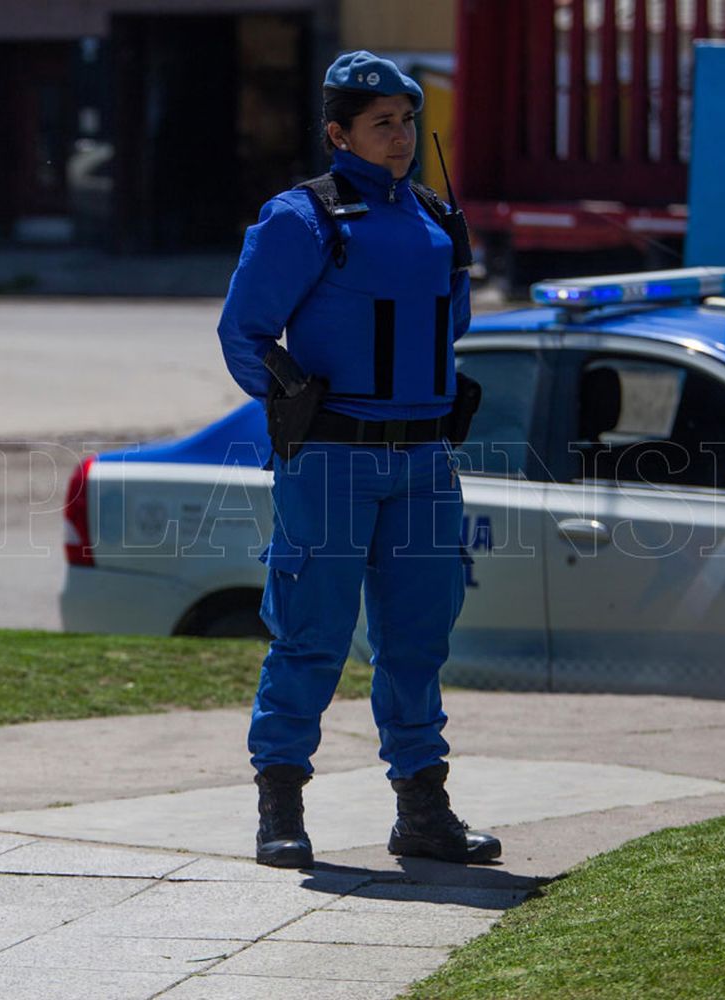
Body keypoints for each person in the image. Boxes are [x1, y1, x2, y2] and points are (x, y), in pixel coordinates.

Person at [217, 50, 500, 869]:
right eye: (382, 124)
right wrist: (291, 398)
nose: (402, 136)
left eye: (409, 121)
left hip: (422, 462)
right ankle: (281, 805)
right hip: (333, 459)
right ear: (339, 133)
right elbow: (244, 332)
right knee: (311, 637)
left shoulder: (437, 221)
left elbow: (452, 328)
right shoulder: (301, 218)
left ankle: (423, 811)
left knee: (417, 639)